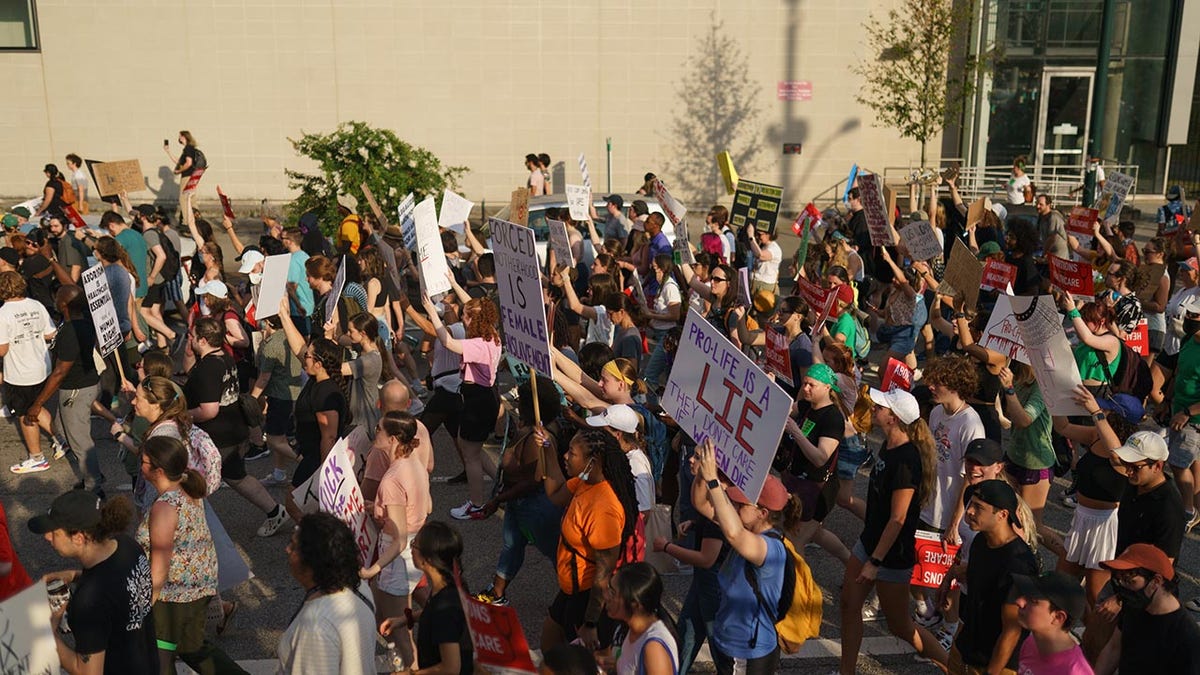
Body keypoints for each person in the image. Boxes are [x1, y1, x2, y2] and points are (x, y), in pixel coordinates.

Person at [839, 387, 946, 674]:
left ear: (893, 418)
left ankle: (953, 667)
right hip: (869, 543)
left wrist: (875, 562)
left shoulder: (906, 460)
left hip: (889, 556)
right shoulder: (888, 445)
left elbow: (897, 519)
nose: (874, 409)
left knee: (901, 627)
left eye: (880, 407)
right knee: (849, 605)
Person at [136, 436, 242, 673]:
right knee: (191, 646)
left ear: (158, 470)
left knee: (159, 656)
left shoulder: (164, 507)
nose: (140, 465)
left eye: (143, 461)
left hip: (173, 596)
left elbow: (160, 568)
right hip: (199, 587)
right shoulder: (186, 490)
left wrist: (142, 606)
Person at [690, 439, 797, 675]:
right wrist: (704, 471)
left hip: (749, 652)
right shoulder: (747, 528)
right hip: (729, 642)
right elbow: (700, 503)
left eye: (742, 503)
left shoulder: (770, 548)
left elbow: (733, 534)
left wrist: (713, 481)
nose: (735, 505)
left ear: (763, 513)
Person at [31, 491, 157, 674]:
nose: (47, 537)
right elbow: (118, 585)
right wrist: (74, 575)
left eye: (55, 532)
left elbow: (87, 672)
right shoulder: (127, 546)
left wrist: (47, 634)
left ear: (79, 538)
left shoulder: (88, 603)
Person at [185, 317, 287, 536]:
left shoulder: (209, 368)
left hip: (217, 438)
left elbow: (209, 410)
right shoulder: (224, 357)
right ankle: (275, 511)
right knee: (237, 477)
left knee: (192, 480)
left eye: (191, 337)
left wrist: (183, 416)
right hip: (233, 431)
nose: (189, 339)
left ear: (202, 340)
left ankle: (191, 528)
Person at [540, 429, 638, 653]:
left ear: (591, 462)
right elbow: (555, 493)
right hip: (570, 590)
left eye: (572, 453)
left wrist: (591, 623)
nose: (566, 456)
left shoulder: (604, 507)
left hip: (586, 598)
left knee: (578, 662)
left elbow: (604, 573)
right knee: (550, 641)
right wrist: (548, 450)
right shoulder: (584, 483)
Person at [475, 375, 564, 606]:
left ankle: (573, 600)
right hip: (518, 504)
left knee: (557, 555)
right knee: (511, 547)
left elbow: (533, 481)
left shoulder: (538, 439)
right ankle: (497, 591)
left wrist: (498, 500)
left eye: (521, 400)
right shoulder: (529, 429)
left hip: (536, 507)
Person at [420, 294, 501, 520]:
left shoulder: (476, 344)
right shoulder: (492, 336)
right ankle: (500, 482)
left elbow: (448, 342)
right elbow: (479, 305)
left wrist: (431, 313)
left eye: (465, 317)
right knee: (472, 448)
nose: (462, 322)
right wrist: (453, 282)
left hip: (477, 400)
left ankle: (476, 504)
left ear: (475, 320)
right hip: (485, 397)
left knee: (471, 455)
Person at [360, 411, 431, 666]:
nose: (374, 432)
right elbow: (427, 506)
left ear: (392, 439)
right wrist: (380, 509)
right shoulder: (415, 464)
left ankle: (410, 666)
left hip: (396, 555)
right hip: (415, 549)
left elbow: (399, 538)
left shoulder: (391, 478)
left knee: (400, 632)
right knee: (394, 616)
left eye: (379, 429)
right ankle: (400, 661)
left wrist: (372, 570)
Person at [946, 479, 1039, 674]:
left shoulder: (1018, 564)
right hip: (965, 650)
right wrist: (948, 579)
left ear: (1002, 515)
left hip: (995, 663)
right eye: (971, 504)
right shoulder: (981, 540)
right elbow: (976, 576)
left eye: (978, 507)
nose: (969, 511)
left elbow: (1012, 631)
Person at [278, 512, 376, 674]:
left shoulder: (315, 626)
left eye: (293, 546)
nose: (287, 549)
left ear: (313, 561)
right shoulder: (360, 589)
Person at [278, 308, 350, 521]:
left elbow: (328, 436)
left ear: (319, 364)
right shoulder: (318, 379)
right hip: (311, 454)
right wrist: (283, 315)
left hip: (319, 459)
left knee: (292, 501)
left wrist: (326, 474)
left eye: (308, 356)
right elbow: (299, 347)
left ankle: (312, 534)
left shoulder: (325, 394)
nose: (304, 358)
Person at [26, 285, 98, 491]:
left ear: (64, 305)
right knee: (63, 429)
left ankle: (94, 486)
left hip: (76, 390)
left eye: (58, 297)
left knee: (80, 442)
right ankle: (91, 476)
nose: (55, 299)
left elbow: (60, 372)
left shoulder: (69, 331)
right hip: (83, 385)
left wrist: (37, 404)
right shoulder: (82, 322)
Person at [381, 521, 474, 675]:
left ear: (428, 560)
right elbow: (431, 612)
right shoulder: (449, 585)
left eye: (414, 545)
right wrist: (404, 619)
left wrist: (411, 674)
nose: (411, 550)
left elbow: (451, 668)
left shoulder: (445, 608)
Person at [1095, 543, 1200, 674]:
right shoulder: (1134, 607)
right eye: (1119, 581)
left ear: (1156, 581)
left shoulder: (1186, 636)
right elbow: (1114, 648)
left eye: (1129, 581)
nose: (1122, 589)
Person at [0, 271, 61, 474]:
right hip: (42, 367)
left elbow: (2, 349)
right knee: (37, 406)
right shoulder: (37, 305)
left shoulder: (3, 313)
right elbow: (50, 333)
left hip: (19, 373)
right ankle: (61, 439)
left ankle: (37, 458)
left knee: (26, 414)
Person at [1011, 572, 1092, 675]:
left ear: (1058, 617)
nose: (1019, 602)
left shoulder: (1073, 671)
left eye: (1033, 600)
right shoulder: (1031, 644)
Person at [607, 562, 679, 675]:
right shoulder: (629, 629)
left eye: (612, 593)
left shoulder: (654, 649)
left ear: (635, 604)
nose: (606, 597)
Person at [169, 131, 202, 195]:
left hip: (187, 176)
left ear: (184, 137)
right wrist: (168, 152)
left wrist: (179, 171)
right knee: (191, 199)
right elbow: (179, 162)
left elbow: (188, 163)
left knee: (184, 198)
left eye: (180, 136)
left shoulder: (188, 148)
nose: (179, 137)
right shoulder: (191, 148)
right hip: (192, 176)